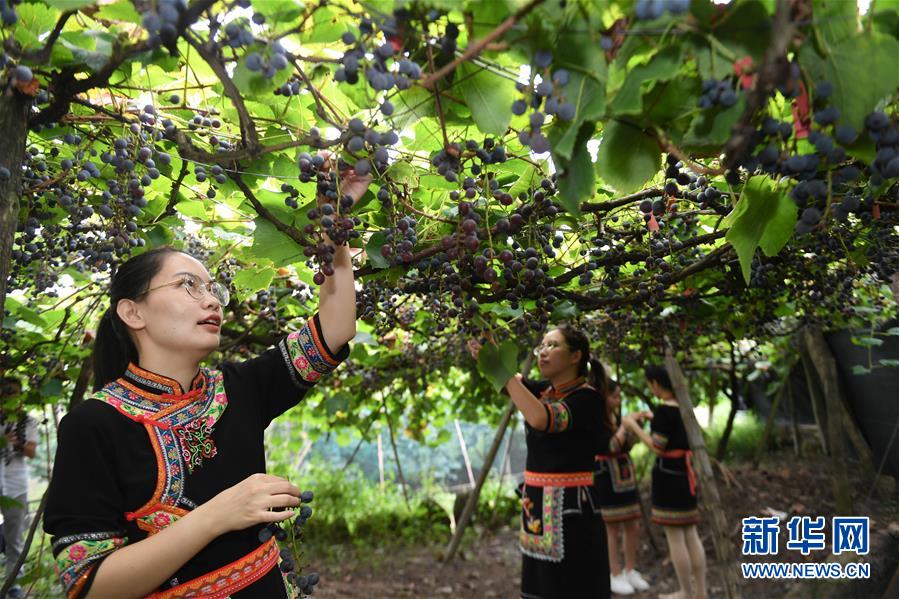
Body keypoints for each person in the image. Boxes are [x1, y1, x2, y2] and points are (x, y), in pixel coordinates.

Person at [43, 161, 370, 599]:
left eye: (212, 288)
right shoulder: (92, 424)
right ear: (132, 312)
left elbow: (336, 328)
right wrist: (218, 514)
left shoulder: (239, 389)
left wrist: (334, 218)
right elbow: (90, 586)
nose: (211, 299)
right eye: (188, 286)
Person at [468, 326, 610, 599]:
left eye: (552, 345)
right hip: (538, 511)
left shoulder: (587, 398)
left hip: (571, 512)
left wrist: (505, 374)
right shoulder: (546, 390)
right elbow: (511, 385)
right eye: (541, 346)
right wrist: (488, 351)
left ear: (575, 356)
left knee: (571, 588)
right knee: (541, 587)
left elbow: (542, 419)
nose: (542, 352)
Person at [623, 365, 707, 599]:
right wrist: (653, 419)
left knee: (675, 537)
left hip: (668, 477)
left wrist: (633, 427)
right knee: (691, 533)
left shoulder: (664, 412)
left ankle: (686, 592)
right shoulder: (684, 408)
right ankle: (700, 592)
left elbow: (657, 446)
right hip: (685, 474)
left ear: (656, 384)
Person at [594, 379, 650, 595]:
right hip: (605, 475)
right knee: (612, 527)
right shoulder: (596, 419)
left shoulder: (616, 417)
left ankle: (630, 569)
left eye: (619, 396)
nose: (617, 400)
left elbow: (626, 445)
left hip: (624, 474)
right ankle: (613, 573)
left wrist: (635, 427)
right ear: (604, 397)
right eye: (614, 396)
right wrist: (625, 427)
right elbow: (609, 446)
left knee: (632, 524)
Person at [0, 377, 38, 599]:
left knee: (15, 538)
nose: (10, 396)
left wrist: (16, 443)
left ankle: (13, 586)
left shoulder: (28, 422)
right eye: (6, 391)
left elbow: (31, 452)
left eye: (14, 392)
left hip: (16, 486)